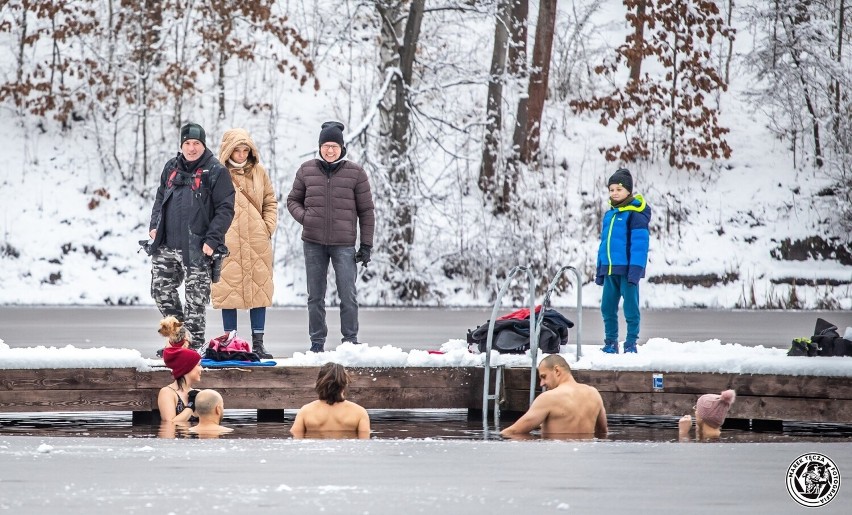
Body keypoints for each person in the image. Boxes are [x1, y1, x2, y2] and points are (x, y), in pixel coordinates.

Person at [286, 121, 375, 353]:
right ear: (320, 147)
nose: (330, 150)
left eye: (334, 146)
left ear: (342, 148)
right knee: (315, 296)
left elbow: (366, 211)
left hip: (344, 245)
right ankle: (317, 343)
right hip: (313, 243)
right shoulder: (306, 170)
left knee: (348, 295)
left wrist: (366, 245)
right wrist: (305, 218)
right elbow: (292, 200)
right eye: (326, 145)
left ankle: (350, 341)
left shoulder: (356, 173)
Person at [148, 122, 235, 351]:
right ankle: (179, 339)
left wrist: (212, 240)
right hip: (166, 244)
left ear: (203, 145)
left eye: (196, 143)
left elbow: (226, 208)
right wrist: (154, 225)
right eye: (187, 143)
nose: (192, 148)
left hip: (198, 246)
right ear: (181, 145)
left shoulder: (216, 171)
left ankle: (193, 347)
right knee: (160, 290)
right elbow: (159, 198)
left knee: (195, 301)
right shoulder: (171, 167)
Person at [211, 128, 278, 359]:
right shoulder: (217, 173)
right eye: (236, 150)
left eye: (245, 150)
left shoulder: (259, 172)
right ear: (227, 150)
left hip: (256, 240)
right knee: (228, 290)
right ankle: (231, 342)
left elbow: (270, 200)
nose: (241, 154)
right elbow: (208, 206)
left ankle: (258, 343)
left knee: (259, 289)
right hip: (227, 241)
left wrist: (266, 227)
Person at [595, 168, 652, 354]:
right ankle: (611, 342)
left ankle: (631, 343)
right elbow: (604, 244)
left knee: (630, 309)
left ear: (628, 190)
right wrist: (600, 269)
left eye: (618, 189)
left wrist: (636, 270)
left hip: (628, 271)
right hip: (610, 269)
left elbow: (640, 245)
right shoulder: (609, 215)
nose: (614, 193)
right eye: (611, 189)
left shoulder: (636, 214)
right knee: (607, 308)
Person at [501, 354, 607, 438]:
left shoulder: (549, 398)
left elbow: (514, 431)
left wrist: (495, 438)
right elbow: (602, 432)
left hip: (556, 458)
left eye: (544, 376)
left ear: (557, 370)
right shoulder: (594, 393)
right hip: (583, 460)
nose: (541, 383)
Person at [290, 362, 370, 439]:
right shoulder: (359, 412)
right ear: (344, 384)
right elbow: (364, 444)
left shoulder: (306, 411)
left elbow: (296, 439)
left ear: (319, 383)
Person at [158, 346, 203, 423]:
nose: (202, 369)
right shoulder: (167, 392)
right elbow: (170, 423)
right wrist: (191, 405)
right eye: (199, 365)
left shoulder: (197, 394)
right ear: (188, 367)